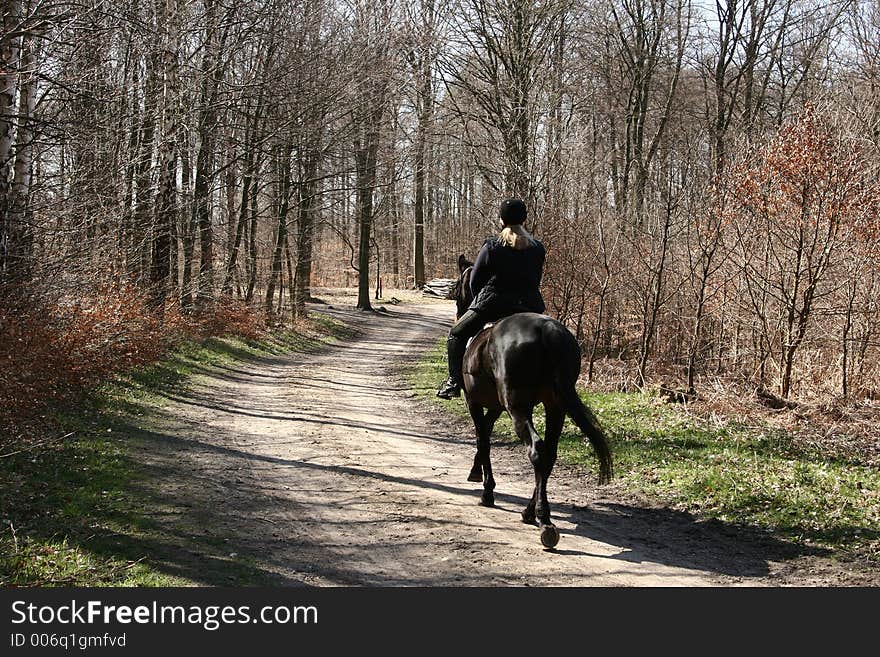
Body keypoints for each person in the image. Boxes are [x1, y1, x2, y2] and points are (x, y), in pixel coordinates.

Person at [436, 197, 546, 399]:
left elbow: (475, 281)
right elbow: (535, 279)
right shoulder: (537, 247)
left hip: (494, 304)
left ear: (501, 220)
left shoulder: (492, 246)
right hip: (530, 306)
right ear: (524, 220)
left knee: (457, 334)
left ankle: (453, 382)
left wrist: (480, 300)